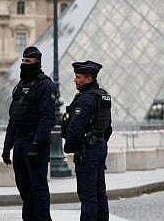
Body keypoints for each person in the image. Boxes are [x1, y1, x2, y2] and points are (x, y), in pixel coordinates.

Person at [2, 46, 56, 221]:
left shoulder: (45, 85)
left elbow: (47, 119)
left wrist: (36, 144)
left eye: (28, 61)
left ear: (37, 63)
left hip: (35, 144)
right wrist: (7, 146)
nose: (24, 64)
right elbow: (13, 118)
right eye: (23, 61)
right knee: (24, 188)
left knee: (38, 188)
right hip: (19, 143)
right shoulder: (19, 86)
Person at [62, 60, 112, 221]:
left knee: (87, 195)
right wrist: (99, 141)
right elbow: (108, 127)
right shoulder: (102, 96)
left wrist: (69, 147)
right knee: (100, 193)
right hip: (99, 147)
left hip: (87, 151)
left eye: (78, 77)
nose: (75, 80)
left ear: (88, 79)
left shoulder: (85, 100)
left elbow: (75, 129)